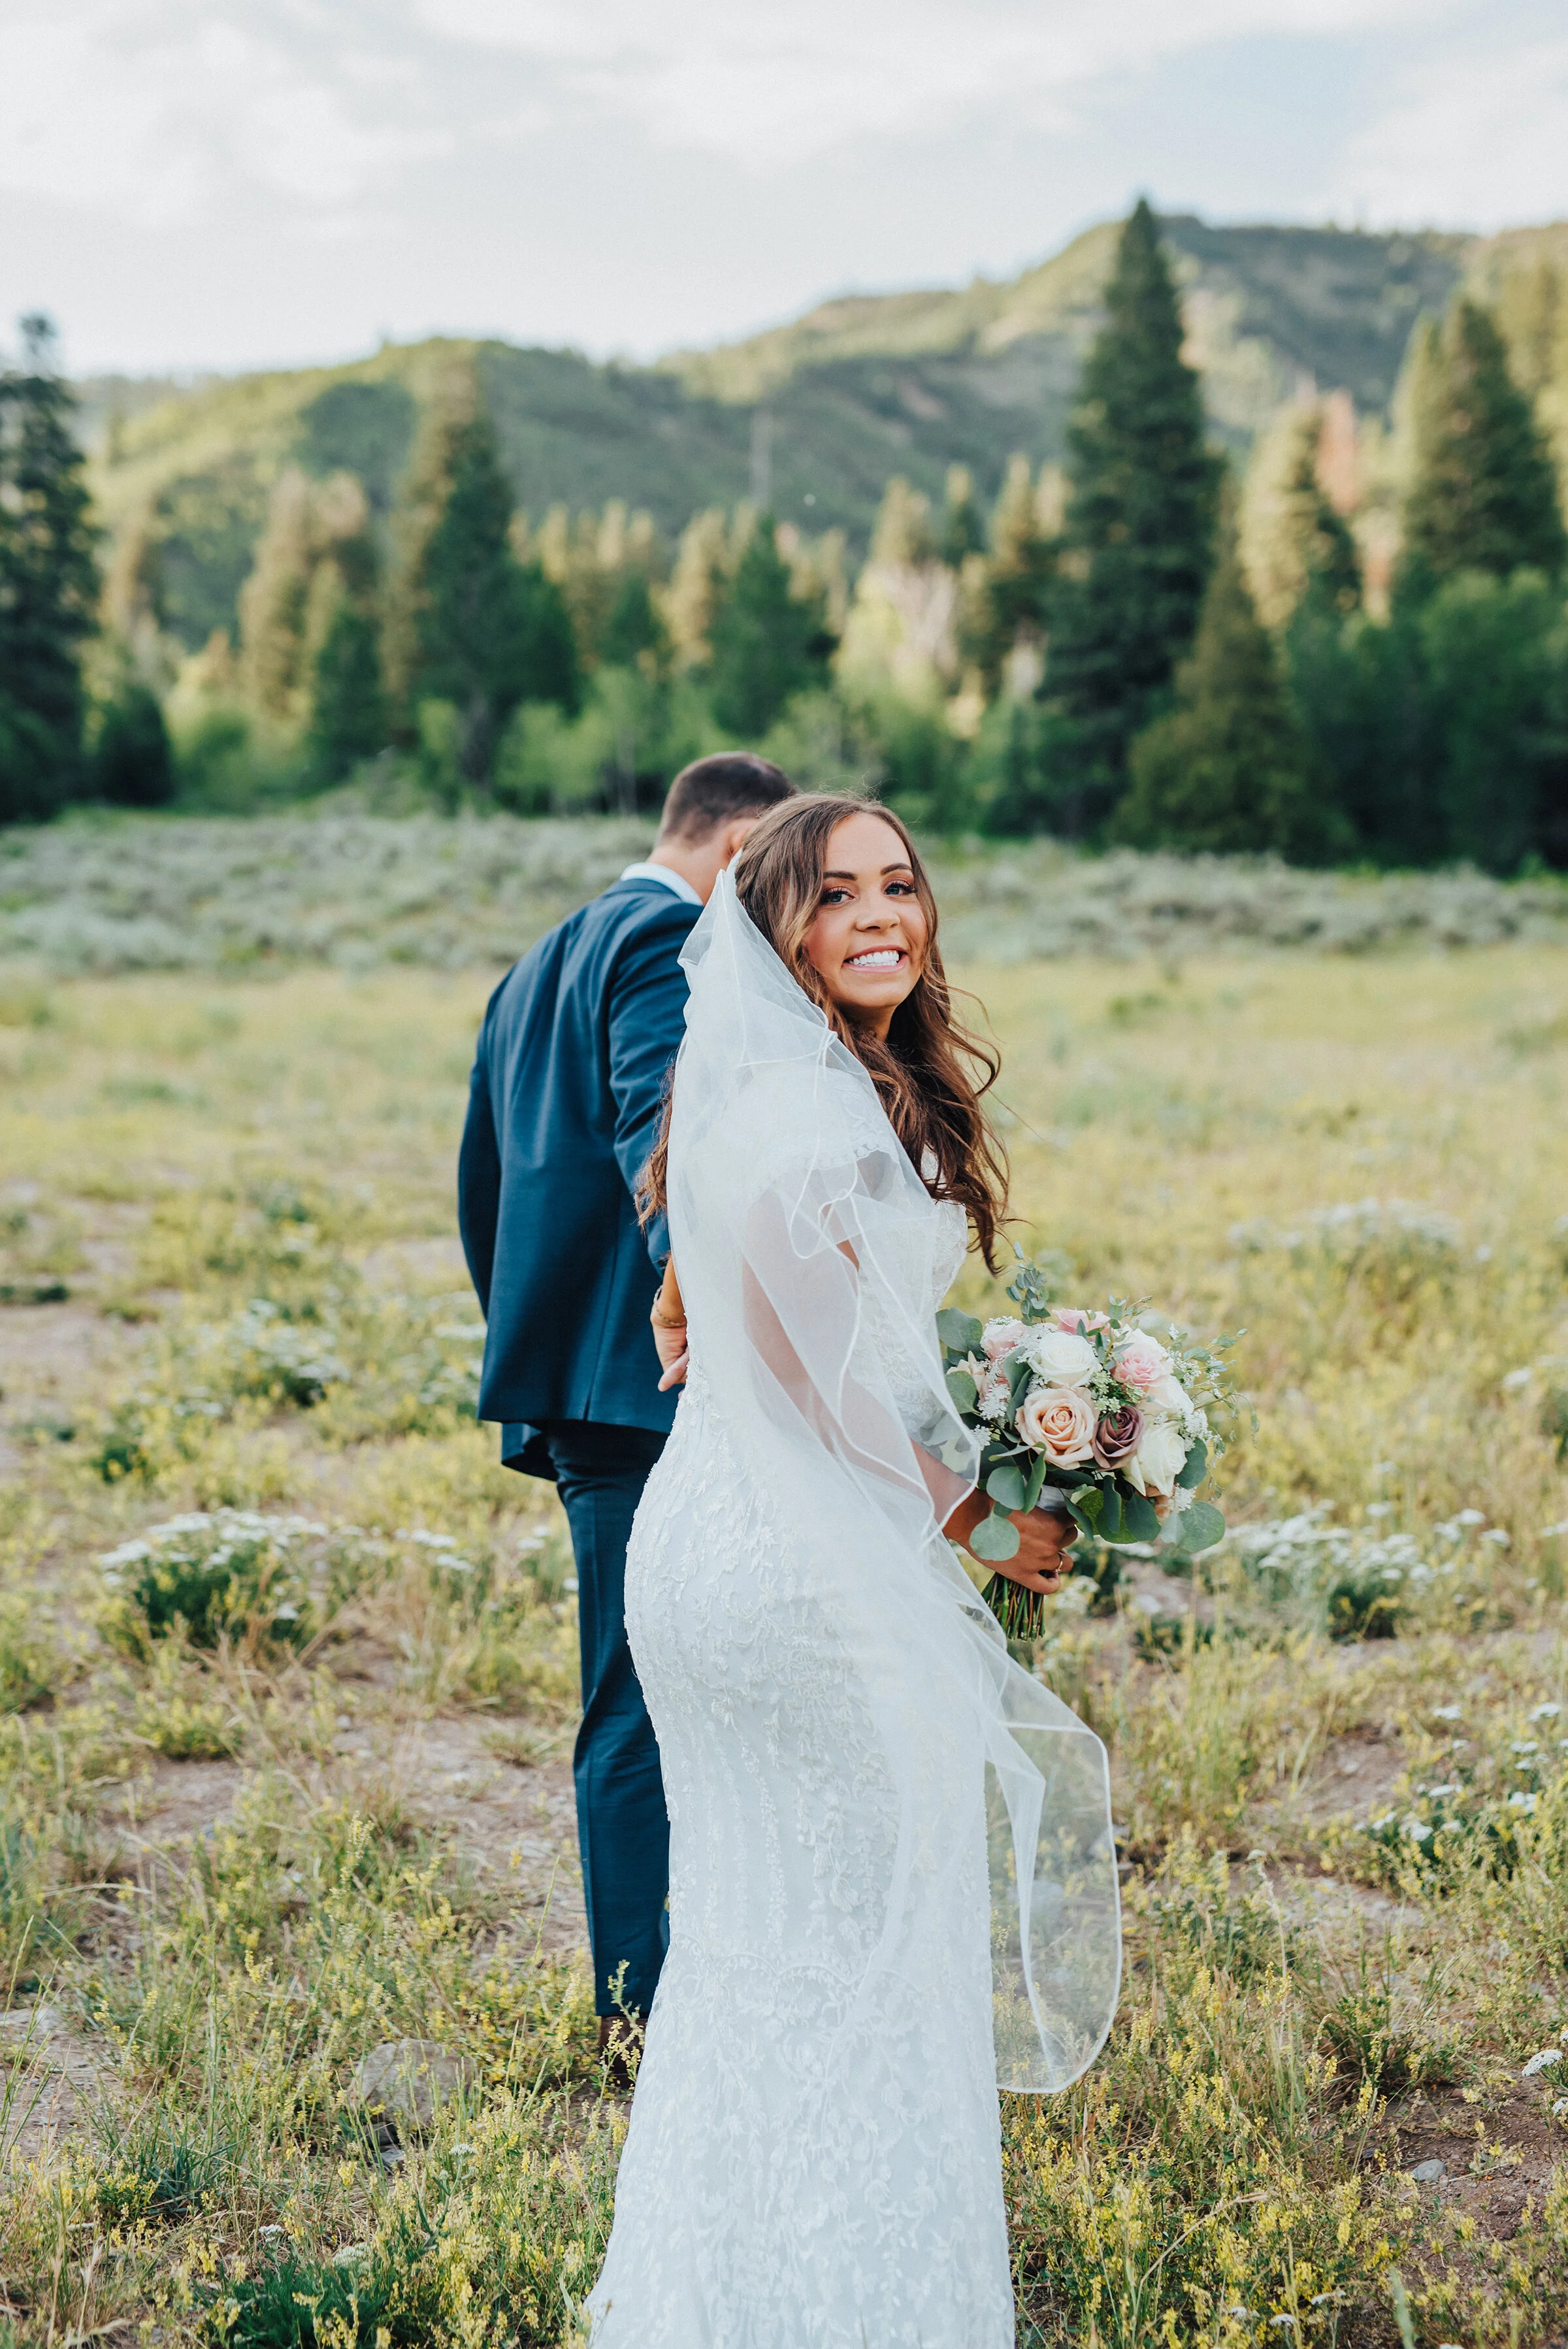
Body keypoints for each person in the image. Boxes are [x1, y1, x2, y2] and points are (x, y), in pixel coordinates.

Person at [588, 795, 1120, 2347]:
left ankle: (728, 2299)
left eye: (901, 885)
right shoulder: (817, 1114)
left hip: (705, 1554)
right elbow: (823, 1377)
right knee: (880, 1951)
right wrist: (983, 1516)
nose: (884, 914)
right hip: (802, 1572)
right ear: (781, 929)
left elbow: (720, 1287)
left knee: (761, 1946)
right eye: (838, 896)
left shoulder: (763, 1090)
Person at [457, 753, 798, 2062]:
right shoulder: (667, 942)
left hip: (585, 1385)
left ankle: (668, 1986)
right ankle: (638, 2014)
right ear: (733, 845)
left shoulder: (534, 962)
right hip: (659, 1387)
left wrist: (535, 1338)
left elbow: (480, 1184)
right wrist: (686, 1312)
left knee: (645, 1686)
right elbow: (664, 1140)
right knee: (640, 1701)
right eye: (778, 873)